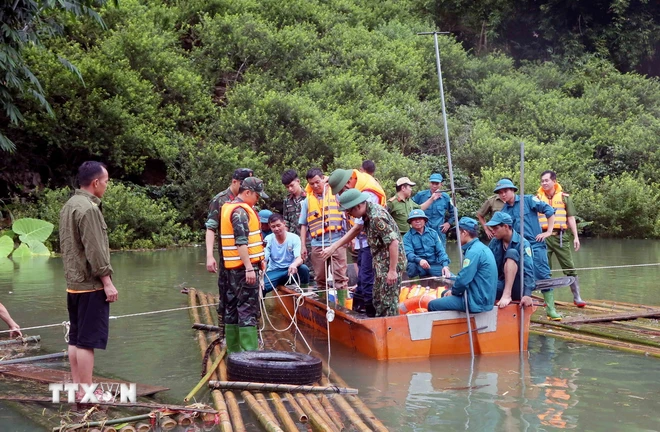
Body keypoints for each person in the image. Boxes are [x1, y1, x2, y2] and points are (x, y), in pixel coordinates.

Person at [59, 161, 118, 397]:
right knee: (87, 341)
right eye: (105, 182)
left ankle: (78, 388)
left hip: (73, 285)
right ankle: (86, 391)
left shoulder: (69, 205)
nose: (106, 185)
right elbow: (95, 250)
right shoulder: (89, 209)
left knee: (75, 338)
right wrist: (107, 282)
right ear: (95, 183)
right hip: (90, 285)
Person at [322, 189, 405, 317]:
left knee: (388, 303)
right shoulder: (367, 214)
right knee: (378, 299)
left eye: (350, 211)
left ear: (359, 206)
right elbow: (356, 230)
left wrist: (392, 271)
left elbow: (393, 242)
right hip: (380, 263)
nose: (350, 215)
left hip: (389, 264)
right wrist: (334, 247)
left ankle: (391, 331)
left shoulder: (377, 217)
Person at [495, 178, 561, 320]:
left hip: (535, 244)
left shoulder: (529, 200)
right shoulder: (504, 210)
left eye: (505, 191)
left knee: (543, 274)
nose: (503, 195)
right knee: (516, 274)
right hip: (517, 247)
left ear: (513, 190)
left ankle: (551, 309)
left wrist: (548, 231)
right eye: (500, 193)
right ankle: (518, 302)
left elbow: (549, 210)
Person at [328, 168, 387, 314]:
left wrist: (334, 246)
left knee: (367, 279)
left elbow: (358, 226)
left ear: (347, 184)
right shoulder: (356, 184)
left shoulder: (367, 193)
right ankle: (358, 308)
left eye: (341, 191)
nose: (342, 195)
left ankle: (371, 314)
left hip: (373, 243)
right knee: (361, 277)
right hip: (362, 242)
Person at [220, 177, 268, 353]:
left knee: (232, 308)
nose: (258, 200)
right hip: (243, 270)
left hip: (232, 269)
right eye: (257, 196)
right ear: (247, 192)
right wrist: (249, 267)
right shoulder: (240, 212)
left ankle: (233, 352)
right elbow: (241, 242)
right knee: (247, 309)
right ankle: (249, 354)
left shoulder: (228, 207)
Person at [205, 168, 254, 340]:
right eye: (243, 183)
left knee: (248, 300)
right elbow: (211, 228)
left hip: (247, 259)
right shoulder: (220, 201)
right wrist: (209, 256)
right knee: (226, 295)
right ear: (234, 182)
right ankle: (223, 334)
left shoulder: (249, 198)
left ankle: (246, 334)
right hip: (228, 259)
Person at [299, 168, 349, 302]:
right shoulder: (307, 201)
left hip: (337, 241)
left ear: (323, 179)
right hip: (317, 244)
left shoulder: (336, 194)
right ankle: (322, 305)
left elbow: (348, 215)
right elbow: (303, 224)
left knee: (341, 278)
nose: (315, 186)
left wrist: (351, 238)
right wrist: (303, 246)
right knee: (320, 278)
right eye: (311, 184)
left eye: (317, 182)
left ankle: (343, 306)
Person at [427, 218, 498, 312]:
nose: (457, 236)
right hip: (483, 297)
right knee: (444, 293)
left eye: (458, 233)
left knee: (432, 305)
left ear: (464, 233)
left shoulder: (473, 252)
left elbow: (464, 280)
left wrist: (453, 291)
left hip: (476, 301)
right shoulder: (481, 247)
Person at [537, 171, 586, 307]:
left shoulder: (564, 198)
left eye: (547, 180)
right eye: (542, 181)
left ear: (554, 181)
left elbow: (570, 218)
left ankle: (577, 297)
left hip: (560, 237)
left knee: (569, 266)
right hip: (542, 237)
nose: (544, 183)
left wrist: (576, 237)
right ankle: (548, 300)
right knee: (544, 269)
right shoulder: (537, 198)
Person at [486, 212, 535, 309]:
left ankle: (507, 295)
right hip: (500, 283)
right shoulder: (494, 242)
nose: (493, 232)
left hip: (517, 286)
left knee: (512, 253)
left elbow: (529, 271)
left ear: (505, 226)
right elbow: (487, 263)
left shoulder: (523, 244)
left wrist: (527, 294)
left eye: (496, 228)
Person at [263, 213, 310, 293]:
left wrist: (294, 264)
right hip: (275, 271)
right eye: (273, 227)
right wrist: (262, 272)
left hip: (290, 270)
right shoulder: (268, 239)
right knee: (262, 287)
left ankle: (304, 294)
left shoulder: (294, 238)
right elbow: (264, 260)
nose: (276, 229)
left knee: (304, 269)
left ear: (284, 224)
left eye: (278, 225)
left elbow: (299, 258)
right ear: (270, 227)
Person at [403, 209, 451, 279]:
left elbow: (441, 251)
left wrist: (445, 266)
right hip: (418, 265)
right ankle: (414, 282)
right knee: (411, 266)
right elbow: (408, 253)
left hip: (433, 265)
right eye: (414, 219)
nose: (417, 221)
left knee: (451, 278)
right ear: (410, 222)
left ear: (425, 221)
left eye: (420, 219)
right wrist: (420, 260)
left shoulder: (433, 233)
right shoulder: (407, 237)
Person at [412, 173, 456, 246]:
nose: (434, 186)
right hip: (422, 230)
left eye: (437, 183)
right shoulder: (420, 195)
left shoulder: (446, 197)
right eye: (432, 183)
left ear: (441, 184)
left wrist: (448, 223)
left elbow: (454, 212)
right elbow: (410, 208)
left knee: (440, 253)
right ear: (429, 183)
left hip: (439, 231)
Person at [281, 170, 306, 236]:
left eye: (292, 185)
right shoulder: (287, 200)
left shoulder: (308, 197)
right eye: (287, 187)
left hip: (308, 237)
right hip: (293, 237)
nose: (290, 189)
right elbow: (286, 222)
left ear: (298, 181)